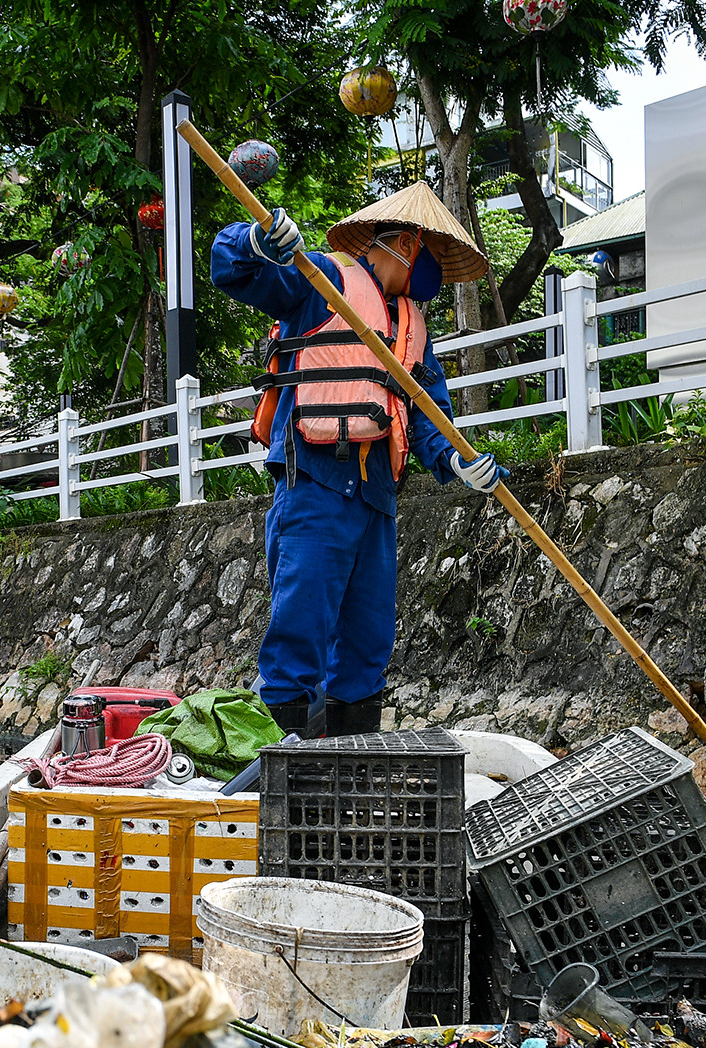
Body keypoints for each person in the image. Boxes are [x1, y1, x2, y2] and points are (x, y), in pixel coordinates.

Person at [211, 182, 506, 738]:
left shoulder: (412, 326)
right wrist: (257, 240)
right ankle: (285, 781)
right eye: (433, 254)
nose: (435, 270)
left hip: (376, 498)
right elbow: (232, 270)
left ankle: (352, 769)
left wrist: (456, 462)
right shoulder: (322, 278)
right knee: (300, 631)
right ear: (405, 242)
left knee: (369, 642)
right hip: (316, 484)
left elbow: (427, 415)